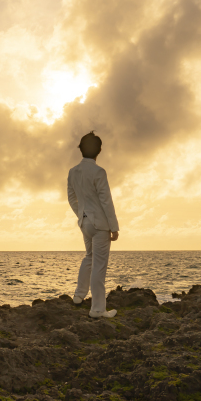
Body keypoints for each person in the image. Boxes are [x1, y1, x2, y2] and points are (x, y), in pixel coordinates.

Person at [67, 131, 120, 318]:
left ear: (80, 149)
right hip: (100, 224)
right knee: (98, 265)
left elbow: (72, 198)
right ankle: (97, 309)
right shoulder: (99, 172)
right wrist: (114, 227)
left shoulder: (73, 172)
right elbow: (106, 200)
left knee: (89, 258)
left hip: (84, 222)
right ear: (99, 151)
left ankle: (79, 295)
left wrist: (82, 214)